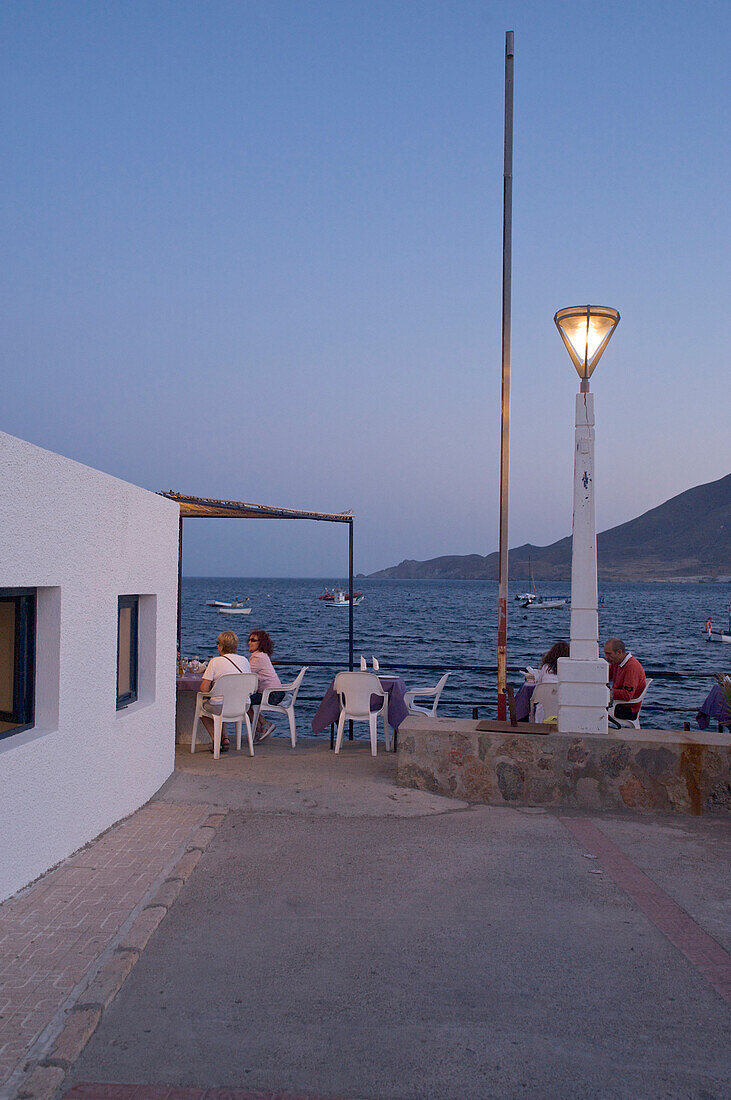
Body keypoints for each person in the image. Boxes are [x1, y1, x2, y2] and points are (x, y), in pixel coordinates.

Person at [199, 631, 251, 753]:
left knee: (202, 709)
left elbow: (204, 689)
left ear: (221, 646)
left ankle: (215, 739)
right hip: (243, 705)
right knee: (224, 701)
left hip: (220, 706)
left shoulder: (215, 662)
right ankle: (225, 738)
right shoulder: (244, 660)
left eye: (218, 643)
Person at [515, 641, 569, 721]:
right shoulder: (569, 669)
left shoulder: (546, 667)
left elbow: (539, 682)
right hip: (563, 705)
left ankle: (522, 721)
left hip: (543, 710)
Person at [246, 629, 284, 742]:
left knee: (243, 701)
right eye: (249, 639)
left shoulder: (257, 658)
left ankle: (264, 725)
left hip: (271, 695)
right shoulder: (262, 655)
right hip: (276, 693)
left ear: (260, 643)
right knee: (246, 701)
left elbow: (245, 674)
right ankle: (260, 727)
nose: (249, 642)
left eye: (253, 640)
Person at [604, 638, 647, 720]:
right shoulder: (617, 662)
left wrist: (605, 692)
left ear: (619, 652)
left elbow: (627, 695)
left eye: (609, 654)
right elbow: (605, 676)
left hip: (627, 709)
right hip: (620, 705)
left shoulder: (631, 667)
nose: (606, 657)